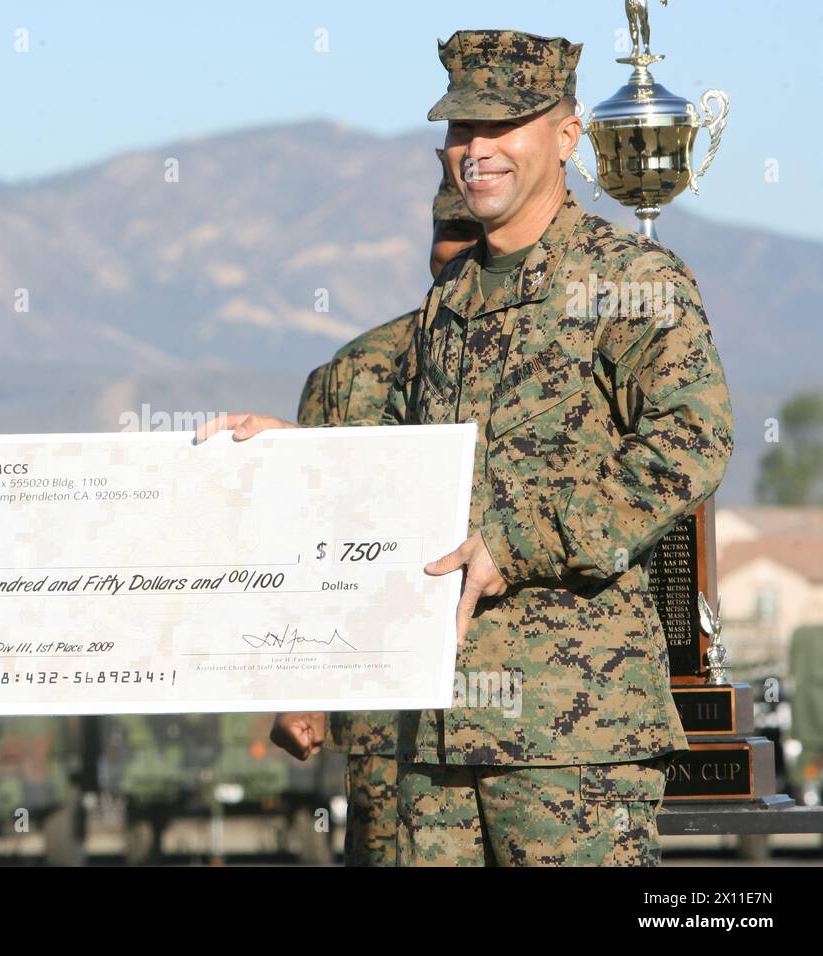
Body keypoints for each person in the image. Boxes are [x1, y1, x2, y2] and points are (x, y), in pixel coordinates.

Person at [201, 29, 733, 866]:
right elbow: (408, 472)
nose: (475, 151)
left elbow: (691, 441)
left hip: (568, 741)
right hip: (427, 736)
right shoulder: (447, 301)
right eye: (460, 131)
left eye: (503, 127)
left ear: (566, 137)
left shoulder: (630, 279)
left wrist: (516, 544)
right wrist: (298, 456)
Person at [276, 150, 481, 867]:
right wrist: (298, 688)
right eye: (447, 231)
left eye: (473, 230)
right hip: (387, 711)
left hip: (536, 693)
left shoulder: (569, 348)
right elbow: (309, 541)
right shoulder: (353, 373)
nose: (457, 249)